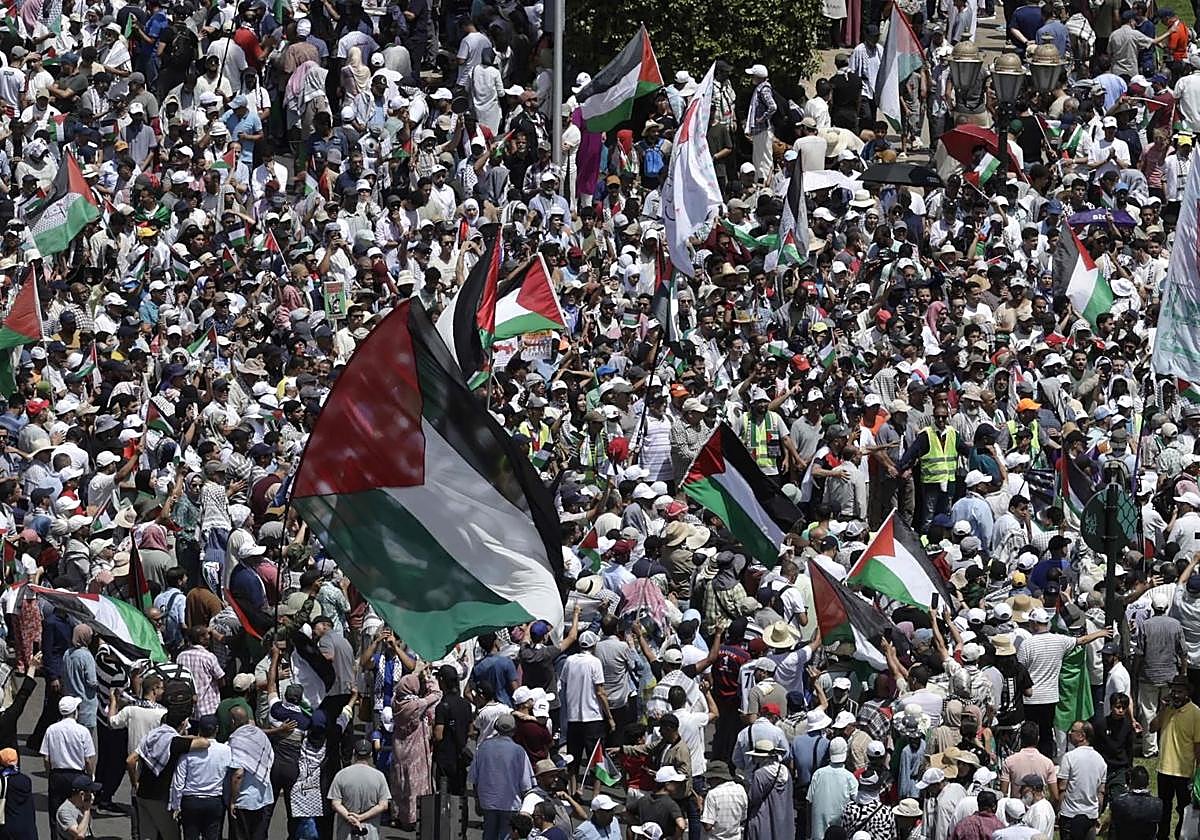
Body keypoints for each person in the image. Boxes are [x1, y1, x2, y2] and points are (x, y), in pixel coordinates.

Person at [469, 714, 533, 840]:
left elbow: (474, 777)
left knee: (488, 834)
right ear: (514, 730)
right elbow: (526, 783)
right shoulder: (518, 751)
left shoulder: (483, 747)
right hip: (510, 803)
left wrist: (477, 800)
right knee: (506, 836)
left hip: (488, 802)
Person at [328, 738, 391, 840]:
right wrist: (361, 817)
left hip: (346, 832)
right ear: (370, 754)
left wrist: (350, 818)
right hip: (370, 832)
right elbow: (383, 805)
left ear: (354, 753)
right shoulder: (379, 776)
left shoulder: (341, 775)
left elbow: (335, 804)